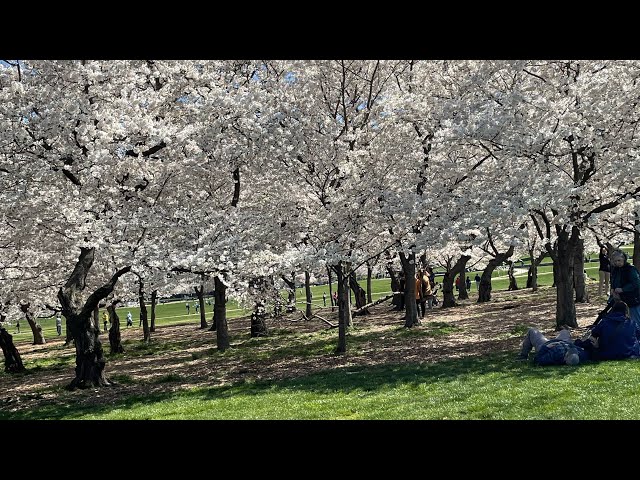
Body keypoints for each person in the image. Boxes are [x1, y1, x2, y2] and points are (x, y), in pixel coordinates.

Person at [516, 327, 588, 365]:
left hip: (546, 344)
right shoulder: (579, 355)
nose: (572, 350)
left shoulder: (554, 357)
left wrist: (546, 347)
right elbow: (584, 350)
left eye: (569, 352)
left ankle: (523, 356)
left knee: (532, 331)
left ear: (565, 358)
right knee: (565, 331)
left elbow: (537, 360)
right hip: (564, 341)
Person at [609, 249, 640, 328]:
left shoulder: (630, 269)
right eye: (615, 261)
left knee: (635, 321)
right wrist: (612, 288)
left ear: (624, 258)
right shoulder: (615, 270)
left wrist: (623, 289)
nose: (617, 263)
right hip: (620, 299)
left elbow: (636, 283)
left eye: (619, 260)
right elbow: (613, 280)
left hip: (633, 299)